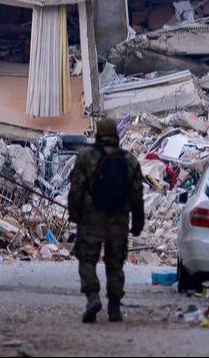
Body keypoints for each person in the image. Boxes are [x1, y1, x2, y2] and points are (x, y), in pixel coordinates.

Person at [67, 117, 144, 323]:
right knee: (115, 263)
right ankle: (114, 307)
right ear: (116, 135)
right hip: (119, 219)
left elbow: (77, 189)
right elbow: (137, 194)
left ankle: (92, 297)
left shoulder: (86, 157)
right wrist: (138, 222)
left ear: (98, 134)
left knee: (87, 259)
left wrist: (74, 214)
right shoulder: (129, 160)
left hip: (92, 218)